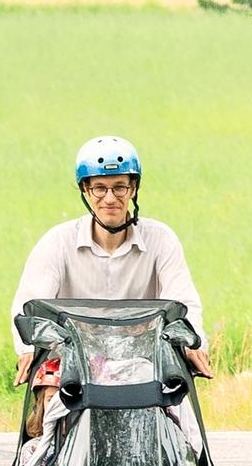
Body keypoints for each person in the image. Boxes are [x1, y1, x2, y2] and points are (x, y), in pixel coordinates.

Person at [11, 135, 211, 390]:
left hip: (142, 359)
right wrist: (28, 349)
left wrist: (193, 343)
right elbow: (29, 305)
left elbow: (184, 301)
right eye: (99, 188)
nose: (109, 198)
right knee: (51, 402)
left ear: (133, 189)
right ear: (85, 190)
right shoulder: (57, 242)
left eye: (119, 187)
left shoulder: (161, 239)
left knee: (175, 403)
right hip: (73, 360)